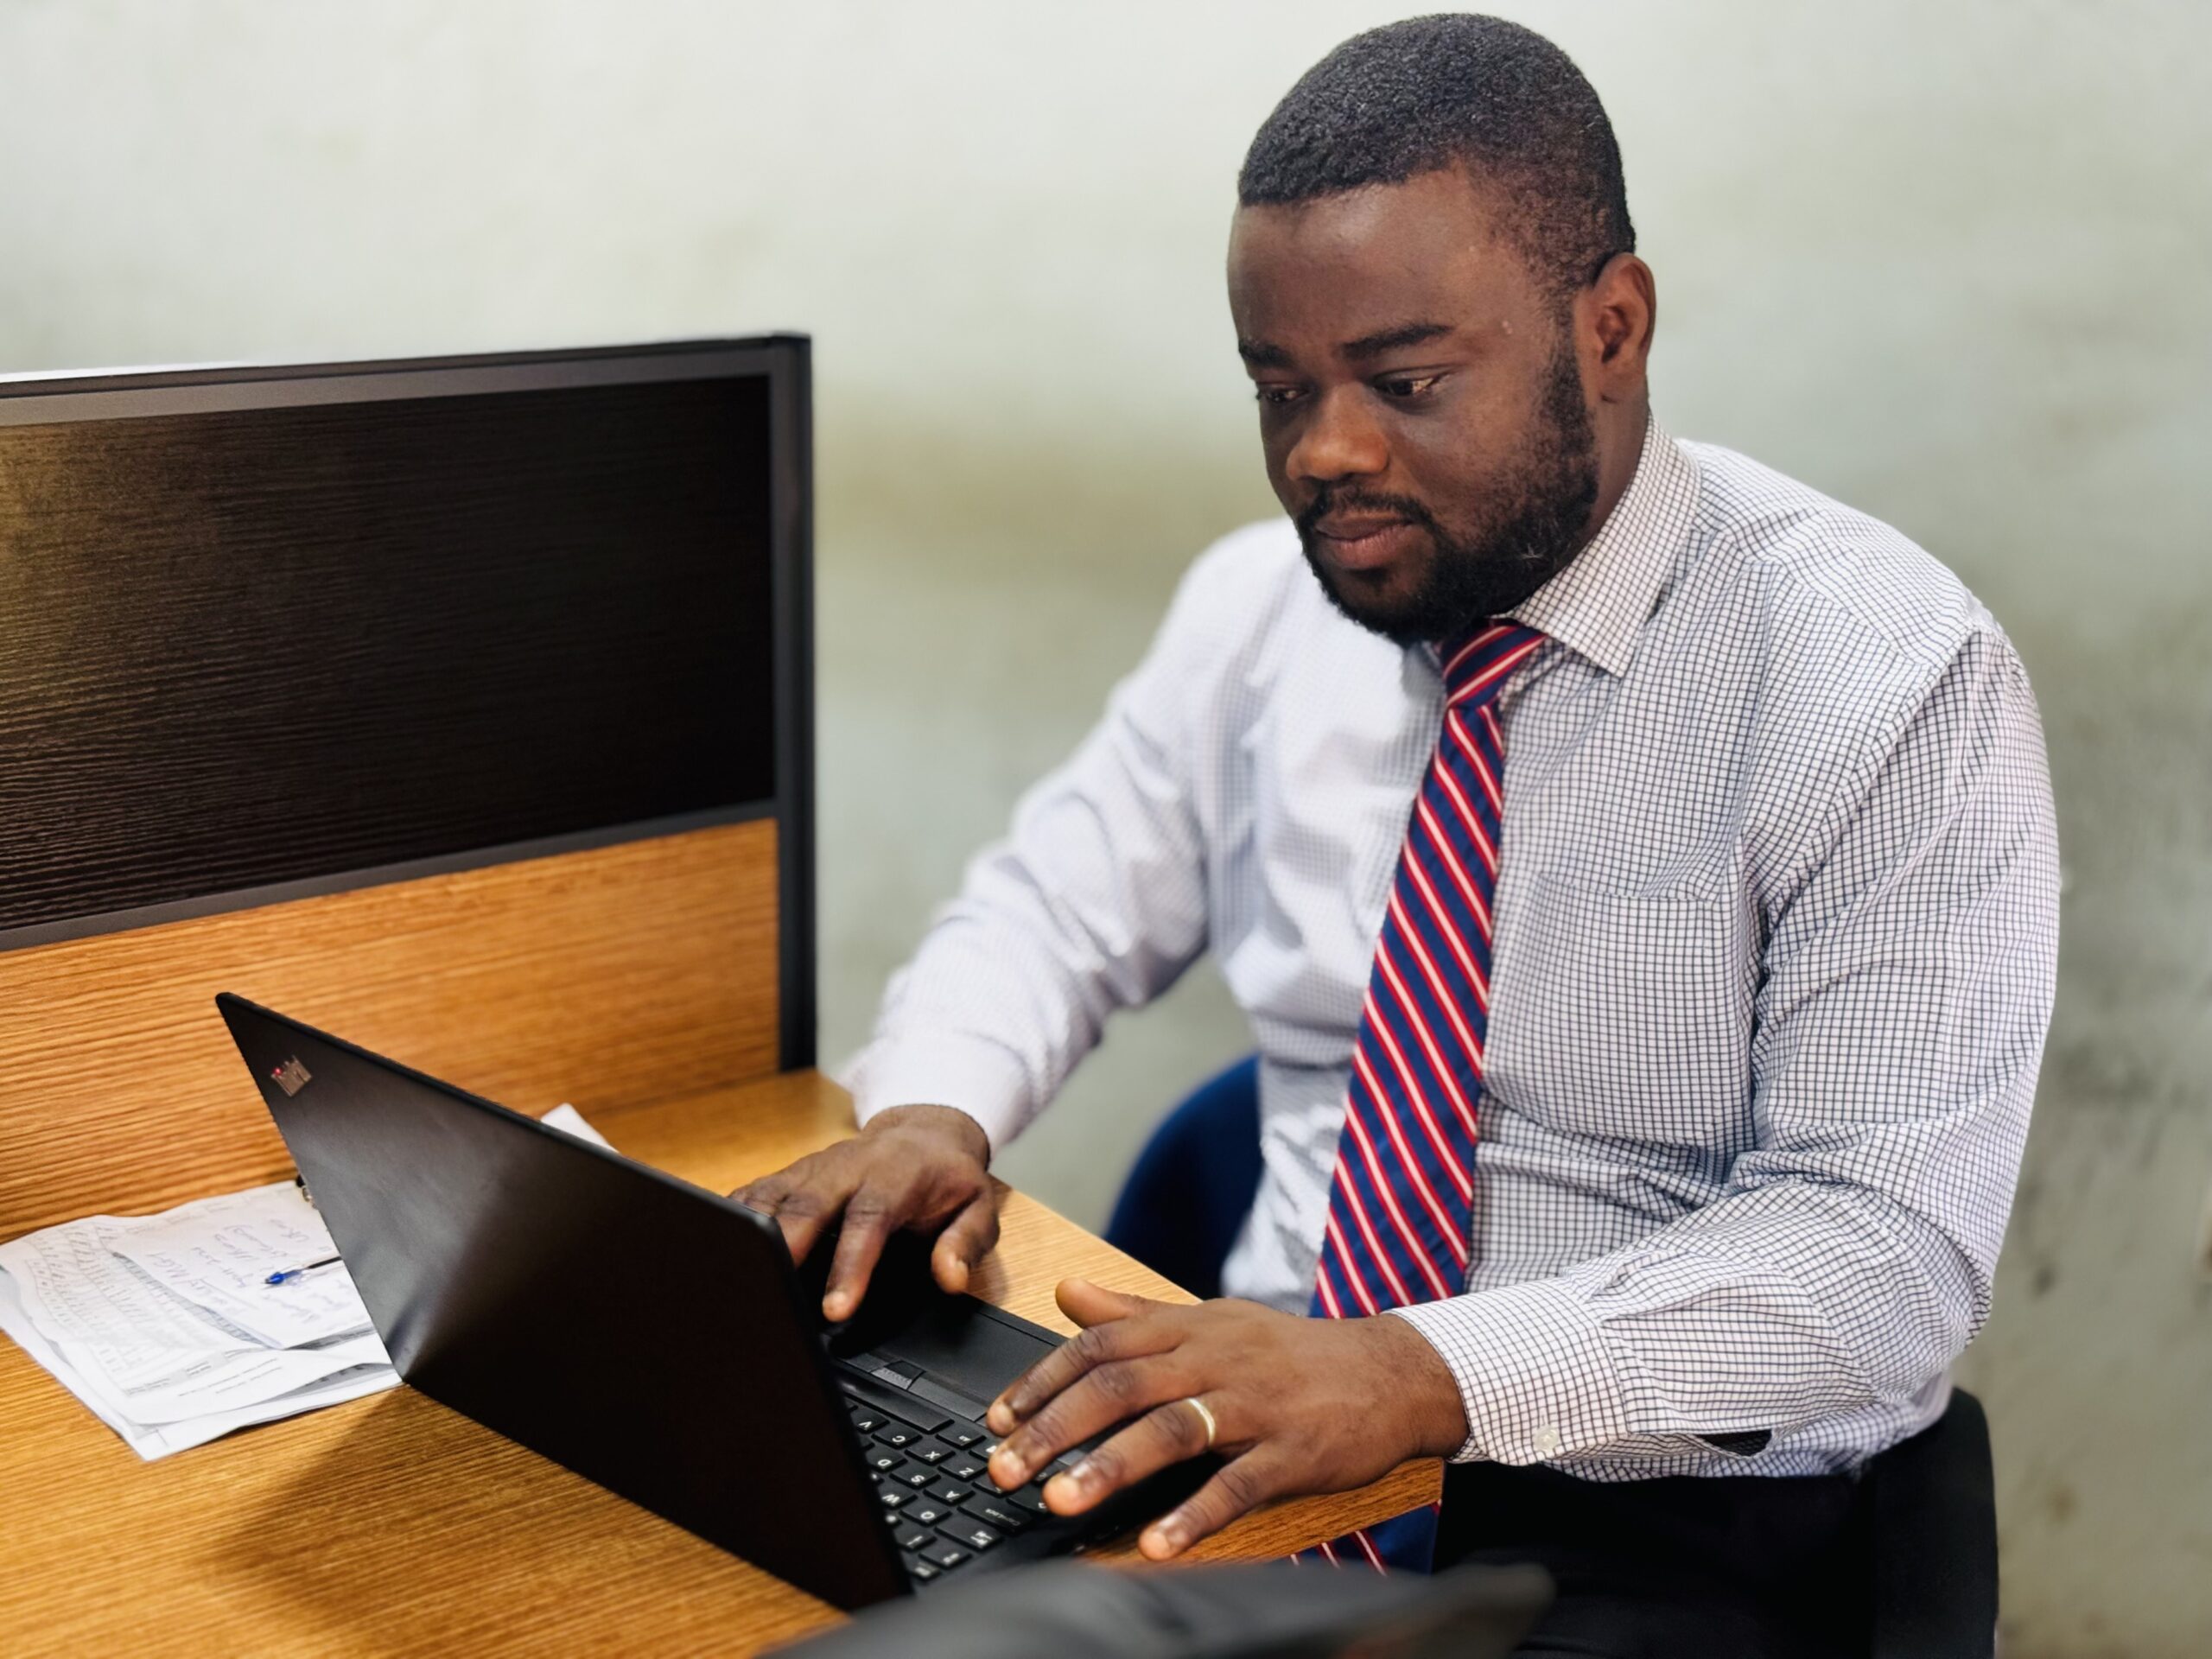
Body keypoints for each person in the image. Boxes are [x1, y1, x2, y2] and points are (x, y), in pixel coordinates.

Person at [738, 15, 2058, 1653]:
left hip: (1653, 1512)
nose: (1325, 453)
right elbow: (1048, 911)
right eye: (1279, 389)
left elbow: (1877, 1260)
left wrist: (1419, 1375)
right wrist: (933, 1110)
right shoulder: (1259, 614)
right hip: (1264, 1445)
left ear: (1613, 330)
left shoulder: (1886, 675)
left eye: (1405, 382)